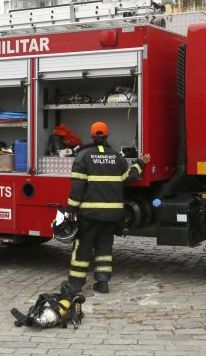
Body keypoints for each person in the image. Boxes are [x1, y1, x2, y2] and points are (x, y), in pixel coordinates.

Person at [64, 121, 150, 294]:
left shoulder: (83, 156)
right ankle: (102, 283)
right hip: (112, 215)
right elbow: (127, 178)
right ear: (107, 136)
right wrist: (140, 163)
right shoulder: (116, 157)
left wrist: (70, 209)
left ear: (92, 135)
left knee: (83, 248)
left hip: (90, 214)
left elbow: (77, 187)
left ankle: (75, 285)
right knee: (104, 248)